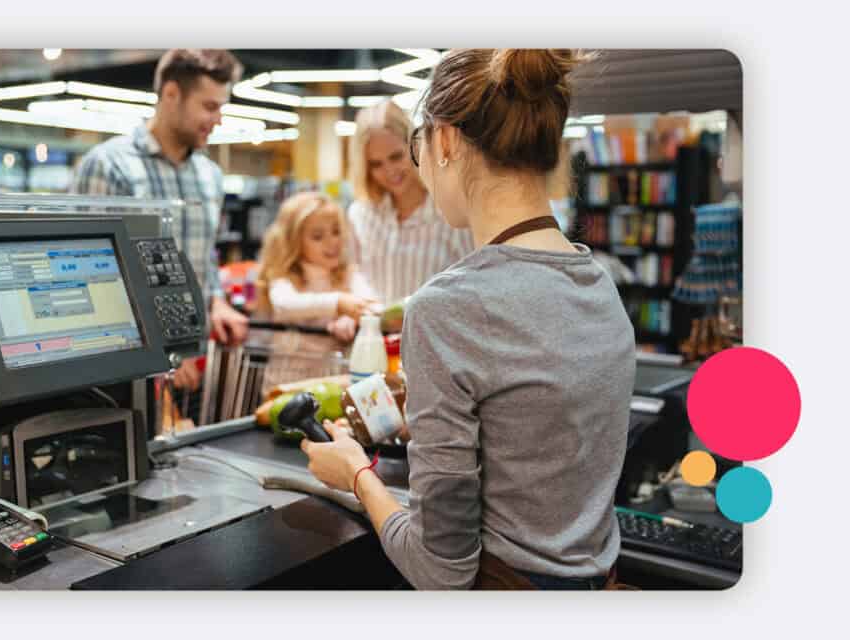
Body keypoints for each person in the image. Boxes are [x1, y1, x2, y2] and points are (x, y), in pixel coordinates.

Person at [301, 49, 636, 590]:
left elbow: (441, 569)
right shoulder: (599, 282)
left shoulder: (445, 309)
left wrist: (357, 476)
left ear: (447, 140)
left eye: (417, 147)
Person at [73, 49, 249, 393]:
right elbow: (92, 276)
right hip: (126, 366)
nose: (218, 120)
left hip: (193, 361)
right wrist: (159, 351)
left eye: (221, 108)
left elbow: (203, 257)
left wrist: (217, 301)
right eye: (210, 107)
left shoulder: (209, 176)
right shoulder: (110, 166)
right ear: (171, 94)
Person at [346, 99, 473, 306]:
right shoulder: (360, 214)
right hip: (374, 335)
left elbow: (472, 283)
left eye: (396, 157)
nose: (389, 171)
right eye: (376, 164)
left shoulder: (451, 212)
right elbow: (352, 270)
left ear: (415, 146)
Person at [255, 191, 378, 394]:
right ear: (294, 241)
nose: (332, 242)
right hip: (284, 387)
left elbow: (374, 306)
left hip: (333, 389)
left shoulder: (348, 275)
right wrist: (339, 303)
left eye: (336, 231)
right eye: (318, 236)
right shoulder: (285, 276)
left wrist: (354, 319)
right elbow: (285, 304)